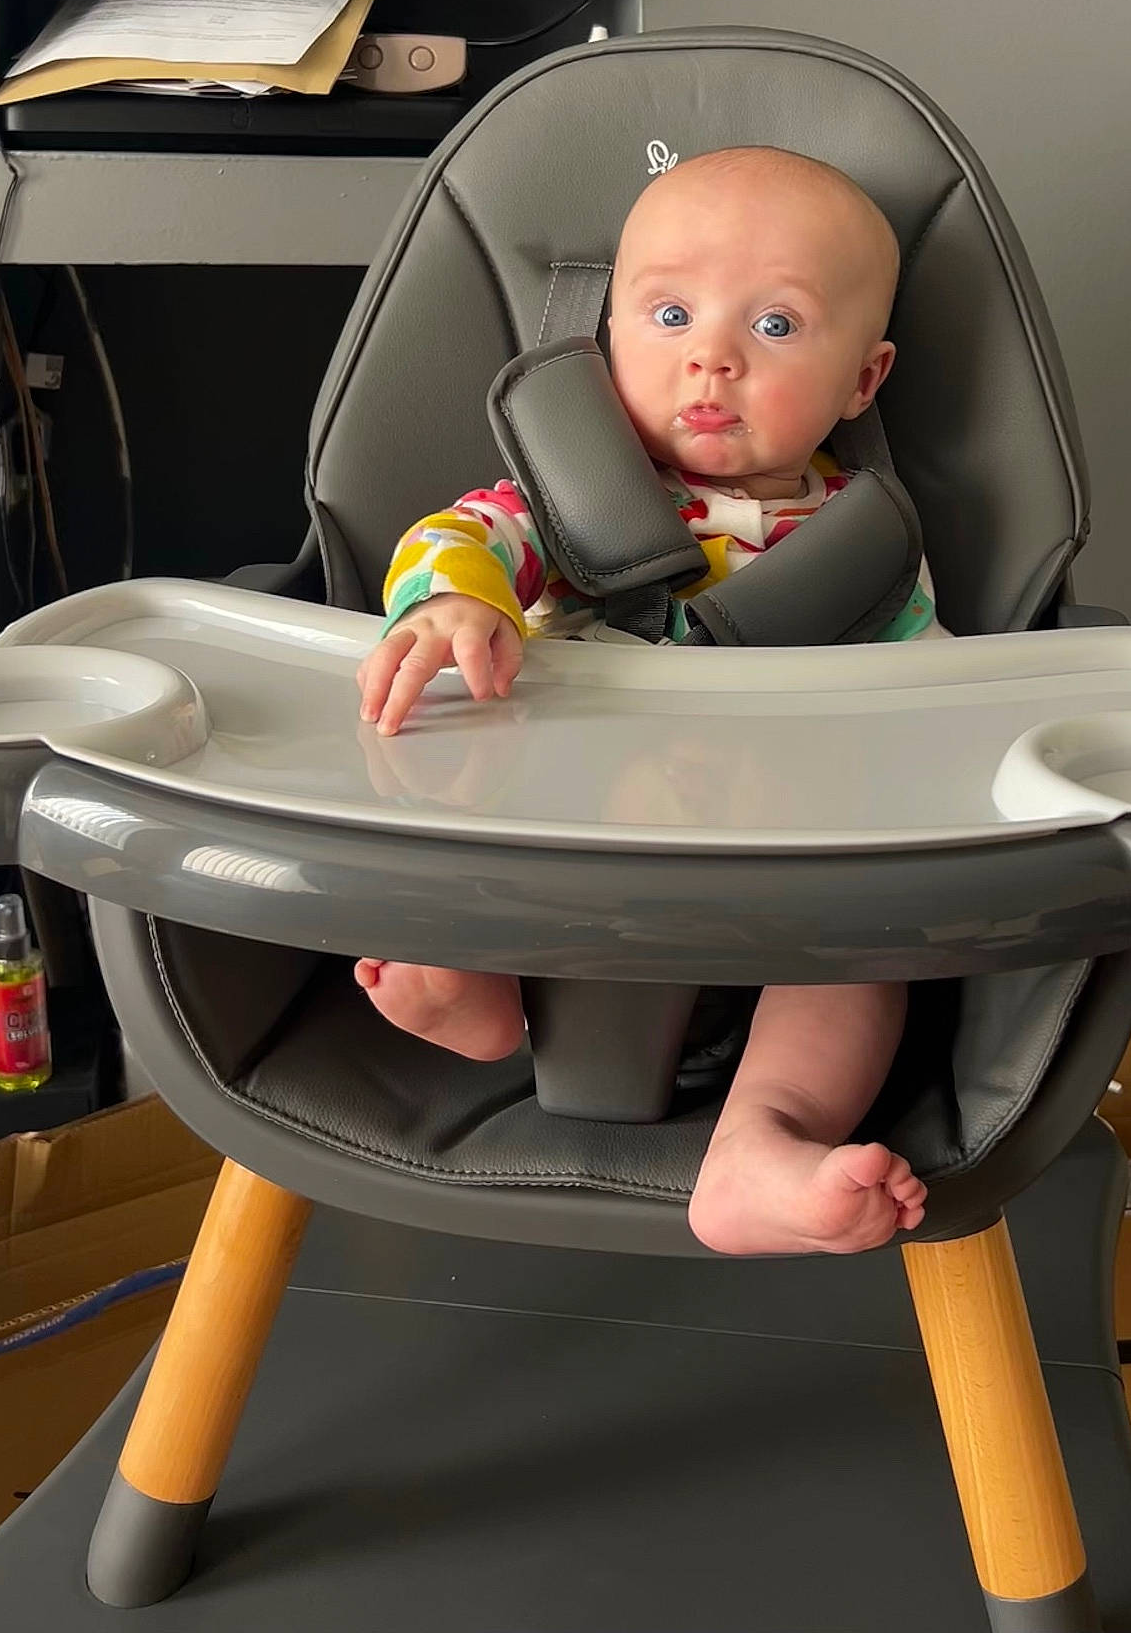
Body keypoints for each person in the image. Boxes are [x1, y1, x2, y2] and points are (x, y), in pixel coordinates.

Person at [354, 145, 946, 1256]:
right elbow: (456, 537)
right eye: (668, 315)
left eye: (772, 327)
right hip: (556, 833)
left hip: (777, 878)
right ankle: (478, 998)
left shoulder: (868, 550)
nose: (709, 359)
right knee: (438, 818)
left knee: (867, 962)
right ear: (608, 339)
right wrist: (453, 605)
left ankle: (761, 1141)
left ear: (862, 380)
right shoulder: (569, 502)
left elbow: (927, 709)